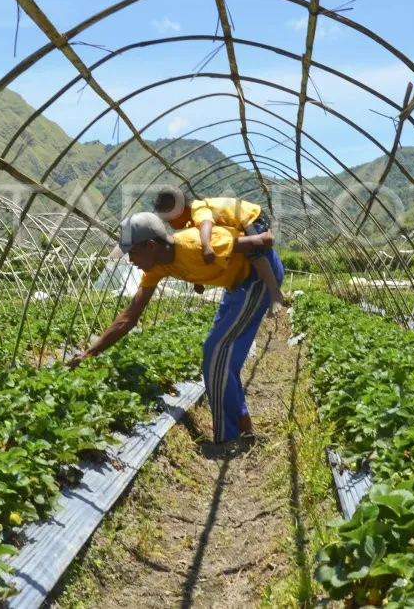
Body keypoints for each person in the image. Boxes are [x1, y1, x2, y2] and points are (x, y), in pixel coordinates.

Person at [68, 211, 284, 451]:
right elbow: (130, 316)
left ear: (151, 246)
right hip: (235, 284)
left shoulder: (196, 244)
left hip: (257, 279)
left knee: (216, 352)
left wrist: (273, 287)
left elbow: (256, 246)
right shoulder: (157, 267)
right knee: (218, 354)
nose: (129, 260)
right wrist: (89, 353)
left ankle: (229, 438)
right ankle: (243, 428)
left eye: (132, 253)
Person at [153, 186, 288, 310]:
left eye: (169, 219)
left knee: (253, 252)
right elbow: (195, 251)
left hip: (253, 218)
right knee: (242, 245)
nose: (170, 225)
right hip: (243, 223)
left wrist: (207, 246)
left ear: (178, 211)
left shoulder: (198, 208)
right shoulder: (191, 224)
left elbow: (206, 224)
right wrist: (197, 281)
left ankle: (275, 292)